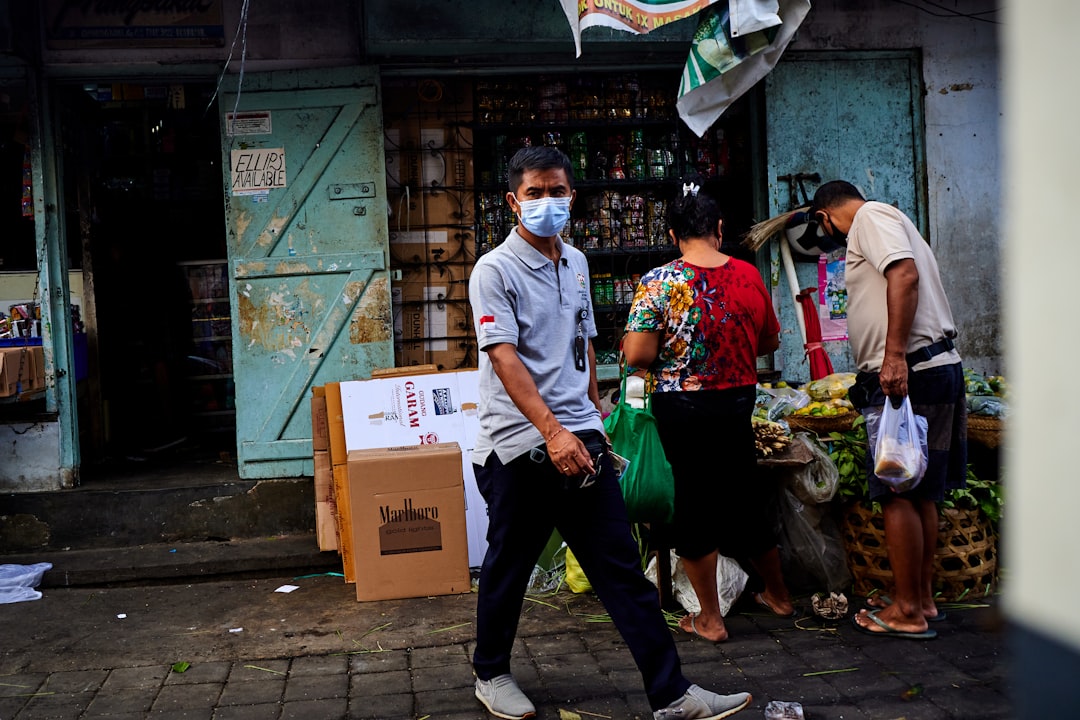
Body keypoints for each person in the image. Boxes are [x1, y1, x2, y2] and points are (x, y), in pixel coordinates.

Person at [468, 147, 752, 720]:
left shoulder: (574, 261)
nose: (548, 202)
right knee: (509, 567)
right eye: (534, 193)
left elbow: (585, 346)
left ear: (573, 195)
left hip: (582, 441)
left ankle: (671, 694)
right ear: (512, 202)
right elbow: (504, 358)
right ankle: (491, 672)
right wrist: (552, 433)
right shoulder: (493, 270)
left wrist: (595, 420)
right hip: (520, 446)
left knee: (620, 569)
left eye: (557, 191)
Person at [622, 175, 793, 645]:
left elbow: (637, 356)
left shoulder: (658, 282)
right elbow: (770, 341)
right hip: (737, 399)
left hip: (682, 406)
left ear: (673, 236)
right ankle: (779, 596)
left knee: (693, 503)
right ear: (719, 227)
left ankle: (711, 620)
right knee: (742, 496)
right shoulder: (748, 275)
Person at [810, 180, 966, 640]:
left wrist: (893, 355)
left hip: (909, 374)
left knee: (896, 488)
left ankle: (907, 611)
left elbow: (903, 275)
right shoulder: (892, 219)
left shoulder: (869, 220)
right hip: (930, 369)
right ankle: (921, 599)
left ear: (825, 217)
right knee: (921, 493)